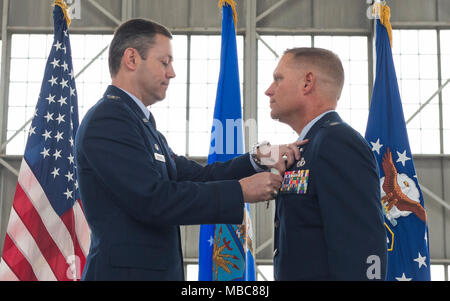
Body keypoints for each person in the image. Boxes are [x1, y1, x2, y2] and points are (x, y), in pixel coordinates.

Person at [74, 18, 304, 281]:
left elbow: (197, 176)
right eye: (164, 62)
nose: (172, 73)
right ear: (131, 59)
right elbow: (153, 200)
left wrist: (257, 159)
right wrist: (241, 191)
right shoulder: (109, 121)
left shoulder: (142, 125)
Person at [265, 47, 387, 281]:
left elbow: (361, 247)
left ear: (307, 82)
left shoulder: (337, 142)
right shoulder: (309, 147)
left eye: (278, 79)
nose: (268, 91)